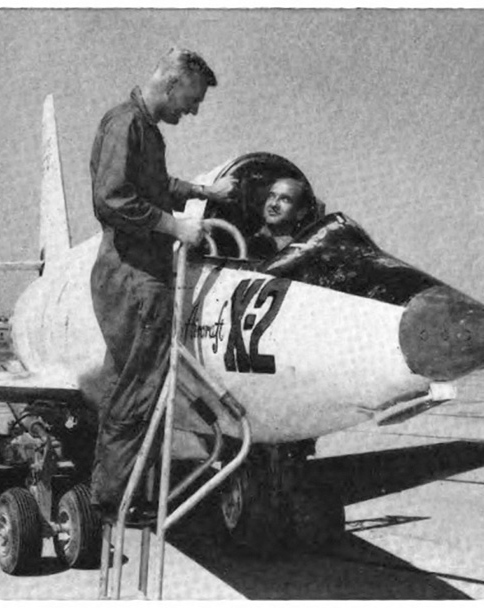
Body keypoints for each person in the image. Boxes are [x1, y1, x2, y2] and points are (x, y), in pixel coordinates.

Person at [88, 47, 236, 522]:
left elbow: (152, 186)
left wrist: (201, 193)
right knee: (139, 388)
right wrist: (176, 228)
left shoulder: (145, 130)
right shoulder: (126, 123)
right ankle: (115, 501)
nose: (190, 112)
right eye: (190, 101)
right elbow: (111, 200)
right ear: (172, 85)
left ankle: (118, 491)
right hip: (133, 274)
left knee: (129, 386)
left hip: (140, 272)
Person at [247, 177, 310, 261]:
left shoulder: (299, 255)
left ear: (300, 212)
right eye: (271, 196)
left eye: (285, 199)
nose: (273, 204)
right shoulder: (242, 242)